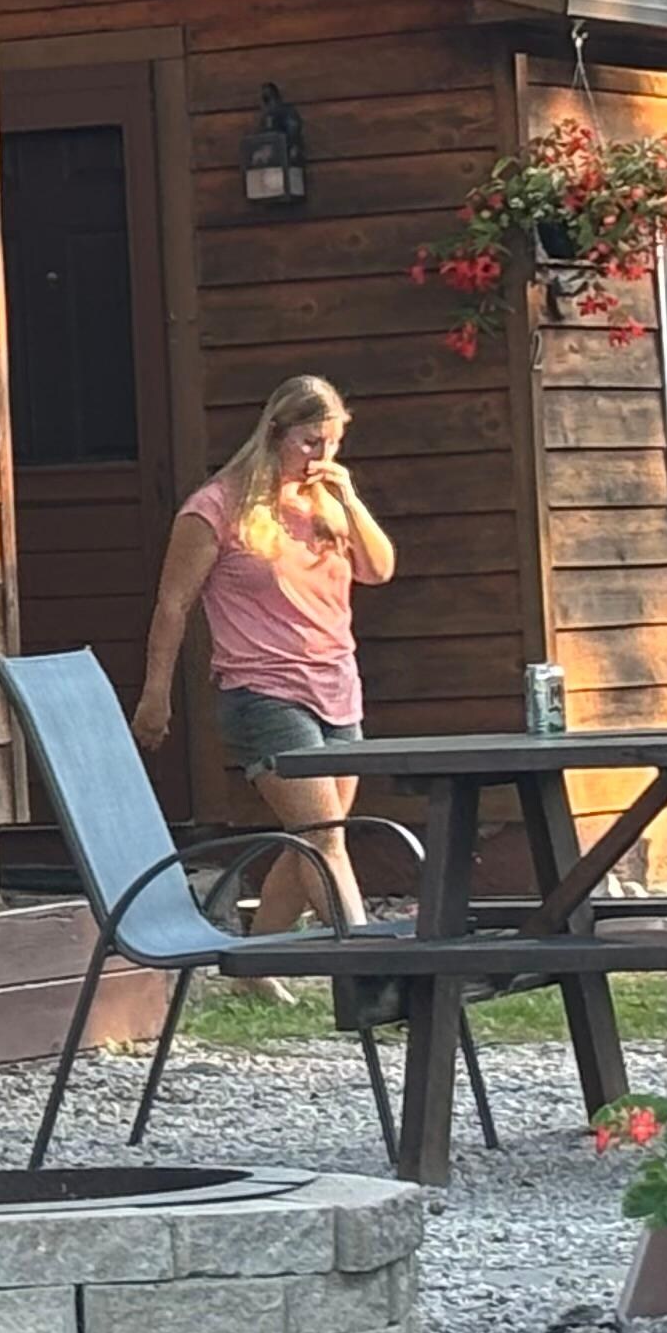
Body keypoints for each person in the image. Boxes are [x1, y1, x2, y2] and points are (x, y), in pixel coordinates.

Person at [131, 374, 397, 935]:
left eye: (333, 442)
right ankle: (370, 964)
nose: (321, 456)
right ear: (275, 433)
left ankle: (252, 964)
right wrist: (155, 695)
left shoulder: (327, 501)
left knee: (313, 839)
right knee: (323, 837)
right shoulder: (216, 507)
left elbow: (379, 570)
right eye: (310, 442)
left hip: (336, 685)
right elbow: (172, 604)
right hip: (263, 692)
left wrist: (349, 499)